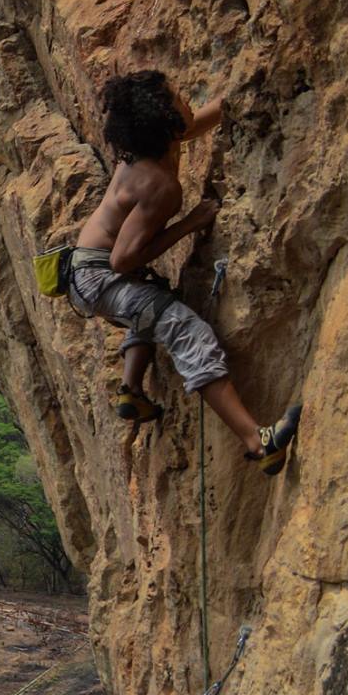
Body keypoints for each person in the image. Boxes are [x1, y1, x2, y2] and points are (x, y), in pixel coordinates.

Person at [68, 69, 301, 474]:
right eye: (176, 95)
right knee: (184, 328)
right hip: (100, 277)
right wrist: (192, 223)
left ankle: (132, 390)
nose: (184, 96)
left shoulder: (154, 149)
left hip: (88, 270)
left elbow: (193, 124)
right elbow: (124, 259)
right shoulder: (158, 183)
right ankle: (258, 442)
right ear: (162, 114)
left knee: (154, 305)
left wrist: (244, 94)